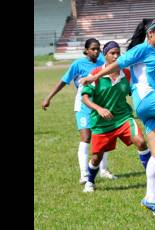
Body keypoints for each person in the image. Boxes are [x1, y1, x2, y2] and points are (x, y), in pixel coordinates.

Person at [80, 18, 155, 219]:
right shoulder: (142, 49)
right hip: (147, 98)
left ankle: (150, 199)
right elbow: (118, 63)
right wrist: (94, 77)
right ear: (150, 34)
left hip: (152, 107)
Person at [81, 41, 155, 192]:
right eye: (112, 53)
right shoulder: (95, 73)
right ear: (105, 55)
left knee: (140, 142)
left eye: (118, 53)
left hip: (123, 118)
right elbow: (85, 98)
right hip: (101, 123)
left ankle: (154, 179)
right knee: (96, 158)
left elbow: (137, 90)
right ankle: (90, 181)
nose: (115, 56)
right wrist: (99, 109)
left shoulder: (127, 74)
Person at [41, 38, 117, 184]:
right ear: (86, 50)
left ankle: (104, 170)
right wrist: (49, 97)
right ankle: (84, 173)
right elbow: (64, 81)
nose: (96, 51)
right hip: (83, 105)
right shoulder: (77, 64)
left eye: (98, 49)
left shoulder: (103, 62)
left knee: (103, 137)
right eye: (93, 49)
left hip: (100, 105)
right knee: (86, 138)